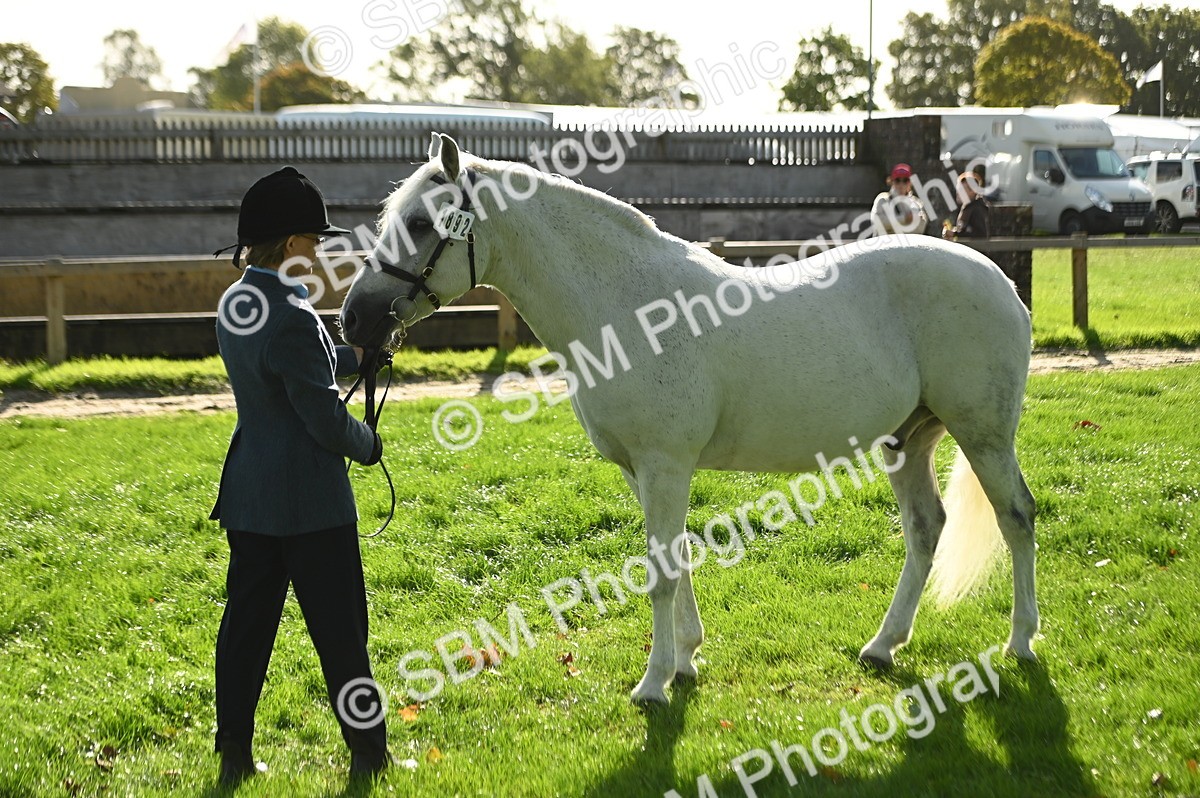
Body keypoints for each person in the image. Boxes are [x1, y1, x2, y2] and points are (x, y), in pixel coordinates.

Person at [209, 166, 389, 786]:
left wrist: (353, 356)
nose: (318, 251)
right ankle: (370, 753)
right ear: (290, 245)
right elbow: (321, 418)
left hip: (251, 495)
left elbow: (285, 363)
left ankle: (233, 748)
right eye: (313, 241)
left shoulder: (238, 301)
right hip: (312, 504)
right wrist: (369, 446)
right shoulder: (293, 311)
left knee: (246, 628)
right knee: (342, 634)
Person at [870, 163, 928, 236]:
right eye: (897, 180)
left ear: (910, 183)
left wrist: (891, 228)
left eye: (905, 180)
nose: (901, 184)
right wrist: (905, 219)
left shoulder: (917, 203)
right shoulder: (882, 199)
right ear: (892, 182)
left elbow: (920, 229)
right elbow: (877, 222)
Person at [943, 171, 992, 240]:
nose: (958, 193)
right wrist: (954, 232)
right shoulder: (968, 207)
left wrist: (955, 234)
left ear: (973, 191)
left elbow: (980, 235)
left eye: (961, 190)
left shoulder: (977, 209)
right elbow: (965, 230)